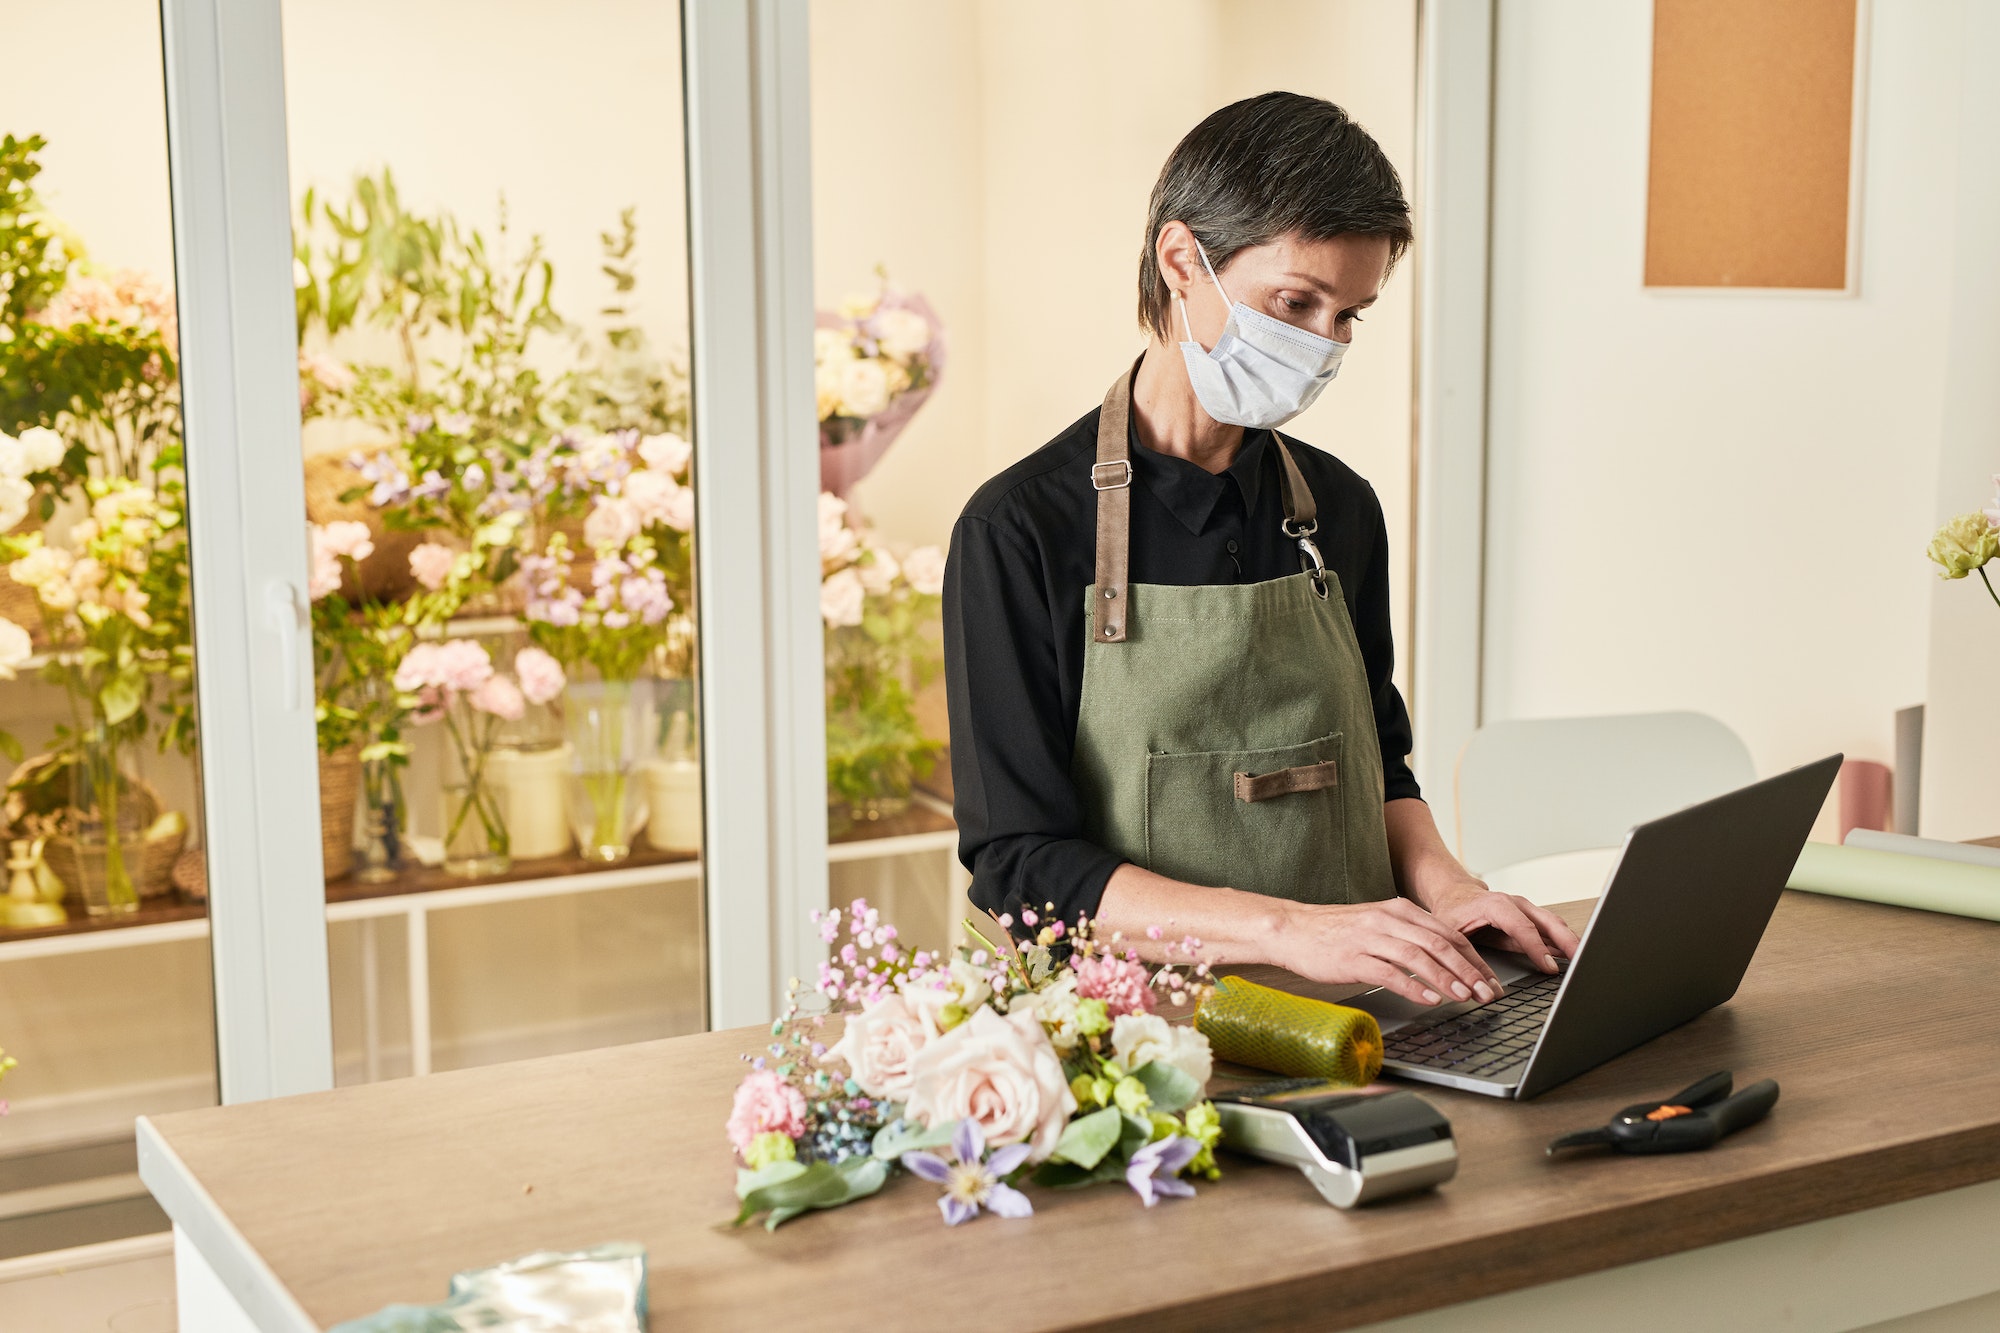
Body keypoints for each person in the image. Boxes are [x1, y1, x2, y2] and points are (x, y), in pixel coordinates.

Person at [942, 92, 1580, 1008]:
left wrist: (1456, 893)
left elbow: (1379, 769)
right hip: (1143, 1045)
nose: (1323, 344)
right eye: (1295, 302)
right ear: (1180, 261)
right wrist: (1291, 928)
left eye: (1349, 314)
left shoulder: (1342, 511)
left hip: (1367, 1013)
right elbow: (1023, 867)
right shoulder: (1017, 531)